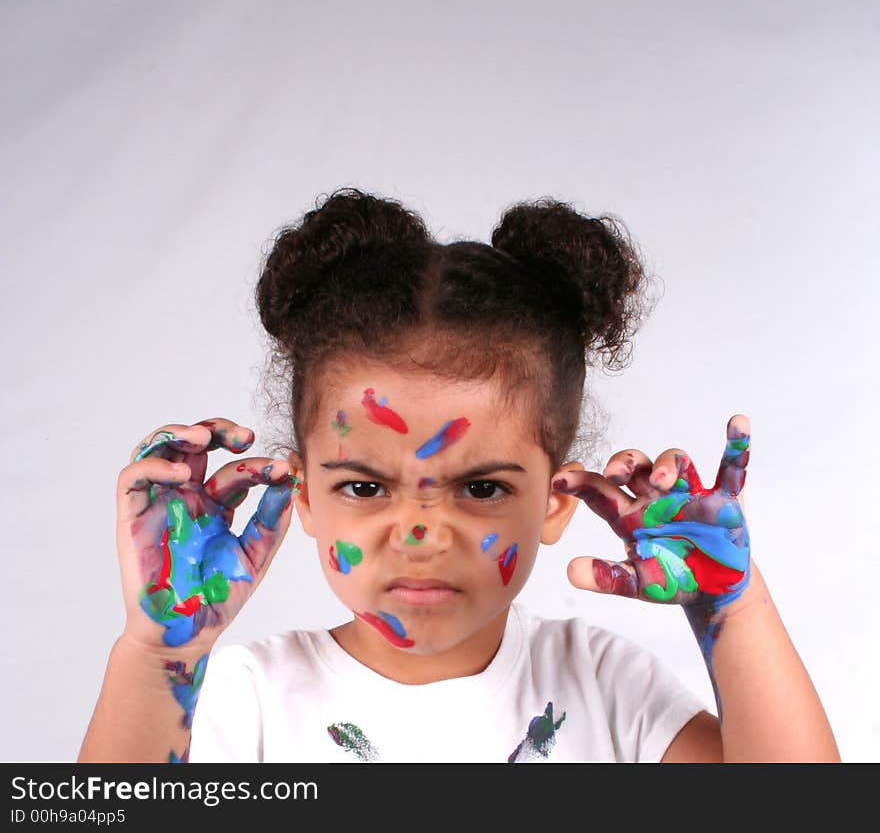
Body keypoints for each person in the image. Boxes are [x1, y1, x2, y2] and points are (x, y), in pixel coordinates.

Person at [79, 188, 839, 763]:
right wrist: (160, 658)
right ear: (303, 495)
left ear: (555, 500)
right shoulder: (239, 702)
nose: (420, 533)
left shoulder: (604, 688)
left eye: (482, 488)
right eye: (365, 486)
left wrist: (737, 613)